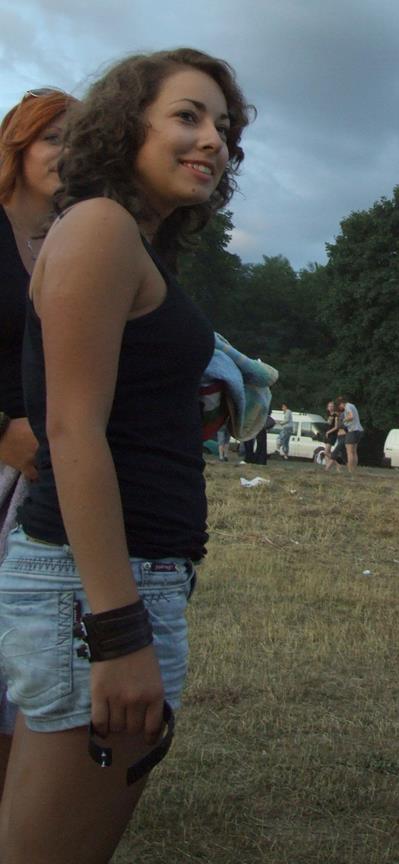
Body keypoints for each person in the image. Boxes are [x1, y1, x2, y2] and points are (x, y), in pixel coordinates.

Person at [0, 49, 252, 864]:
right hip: (94, 592)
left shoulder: (132, 242)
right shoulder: (101, 227)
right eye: (188, 116)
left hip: (116, 582)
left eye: (224, 127)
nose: (213, 140)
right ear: (124, 125)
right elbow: (71, 432)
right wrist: (115, 632)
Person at [0, 85, 74, 799]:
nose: (67, 154)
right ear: (17, 148)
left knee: (18, 650)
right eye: (54, 138)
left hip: (43, 476)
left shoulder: (70, 242)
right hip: (5, 454)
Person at [338, 395, 364, 474]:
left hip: (352, 431)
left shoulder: (347, 406)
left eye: (339, 404)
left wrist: (343, 420)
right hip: (359, 430)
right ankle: (354, 470)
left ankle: (350, 470)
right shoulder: (352, 405)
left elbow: (351, 416)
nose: (339, 407)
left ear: (342, 403)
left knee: (349, 452)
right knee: (354, 452)